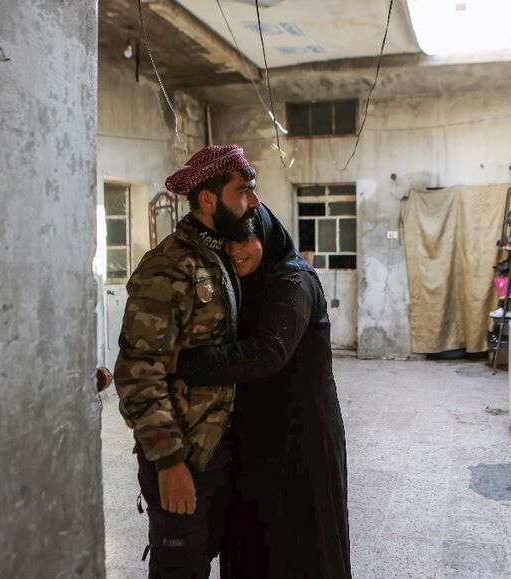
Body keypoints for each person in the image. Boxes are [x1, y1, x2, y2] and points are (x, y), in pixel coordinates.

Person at [176, 204, 352, 579]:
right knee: (258, 537)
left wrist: (186, 363)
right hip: (261, 433)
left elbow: (268, 352)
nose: (237, 251)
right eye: (228, 243)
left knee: (299, 542)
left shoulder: (293, 280)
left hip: (302, 436)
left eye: (247, 240)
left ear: (267, 235)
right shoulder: (247, 283)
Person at [113, 144, 259, 579]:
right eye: (243, 191)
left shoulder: (220, 258)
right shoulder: (168, 267)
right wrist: (169, 462)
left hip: (220, 450)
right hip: (185, 458)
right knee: (180, 568)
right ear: (209, 199)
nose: (252, 201)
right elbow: (138, 373)